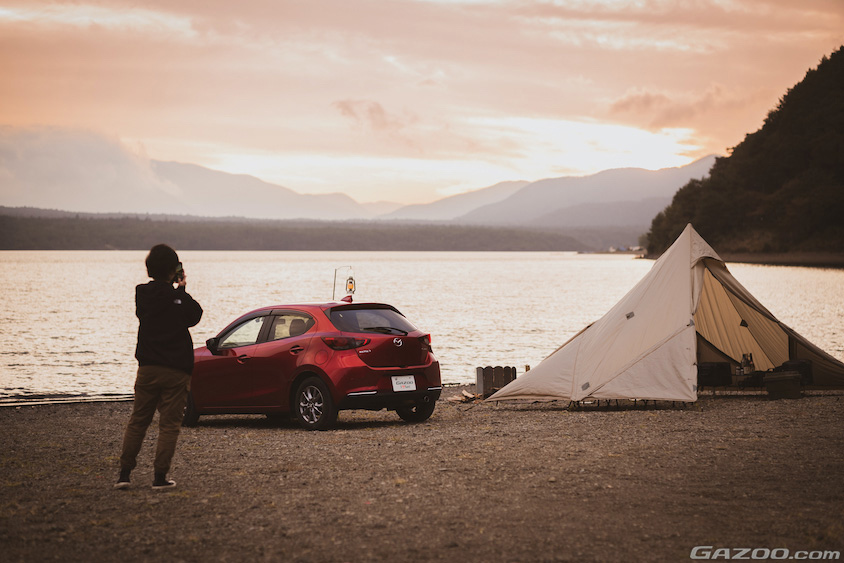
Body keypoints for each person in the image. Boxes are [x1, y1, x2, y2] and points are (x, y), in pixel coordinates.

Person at [115, 244, 203, 490]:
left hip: (147, 368)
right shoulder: (176, 298)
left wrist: (175, 291)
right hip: (176, 370)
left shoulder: (142, 294)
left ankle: (124, 474)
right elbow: (195, 316)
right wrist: (182, 290)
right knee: (168, 425)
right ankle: (160, 477)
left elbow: (152, 310)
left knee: (138, 421)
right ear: (173, 270)